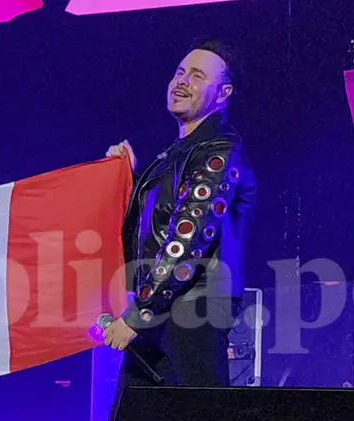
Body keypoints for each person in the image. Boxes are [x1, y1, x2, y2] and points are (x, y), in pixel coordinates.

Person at [102, 39, 257, 393]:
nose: (182, 81)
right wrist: (128, 179)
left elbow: (189, 237)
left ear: (223, 93)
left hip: (193, 307)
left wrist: (140, 311)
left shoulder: (219, 150)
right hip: (161, 304)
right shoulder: (174, 154)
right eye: (179, 72)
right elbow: (154, 227)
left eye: (198, 75)